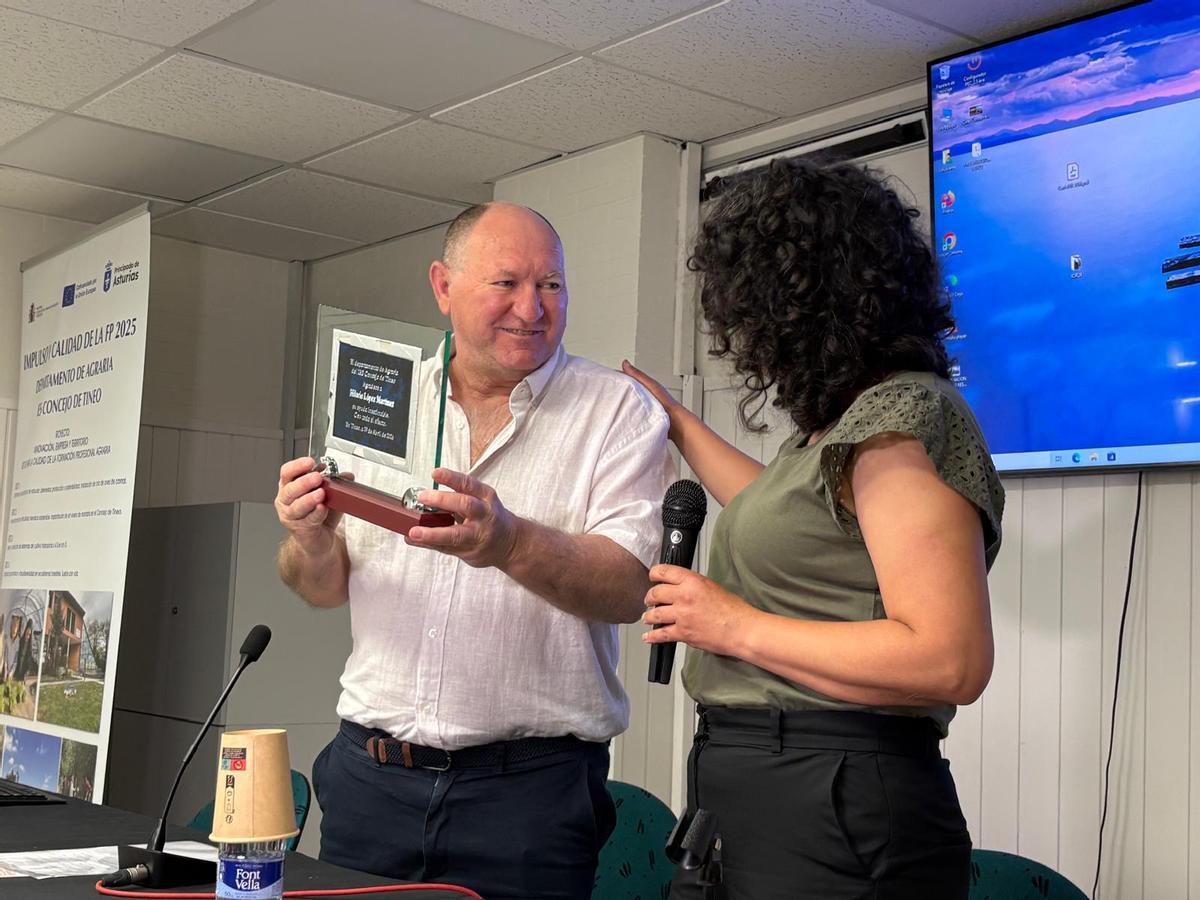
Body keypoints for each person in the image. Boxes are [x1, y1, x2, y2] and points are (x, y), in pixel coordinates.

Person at [624, 157, 1005, 900]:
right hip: (769, 788)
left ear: (799, 306)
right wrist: (675, 420)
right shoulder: (836, 432)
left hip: (836, 793)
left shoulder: (900, 420)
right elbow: (770, 508)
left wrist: (731, 626)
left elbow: (949, 659)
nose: (743, 336)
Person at [274, 202, 674, 900]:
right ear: (443, 287)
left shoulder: (617, 411)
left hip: (531, 797)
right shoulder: (379, 394)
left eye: (552, 285)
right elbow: (321, 585)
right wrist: (309, 537)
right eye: (508, 283)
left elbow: (629, 589)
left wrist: (508, 542)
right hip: (369, 781)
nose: (533, 307)